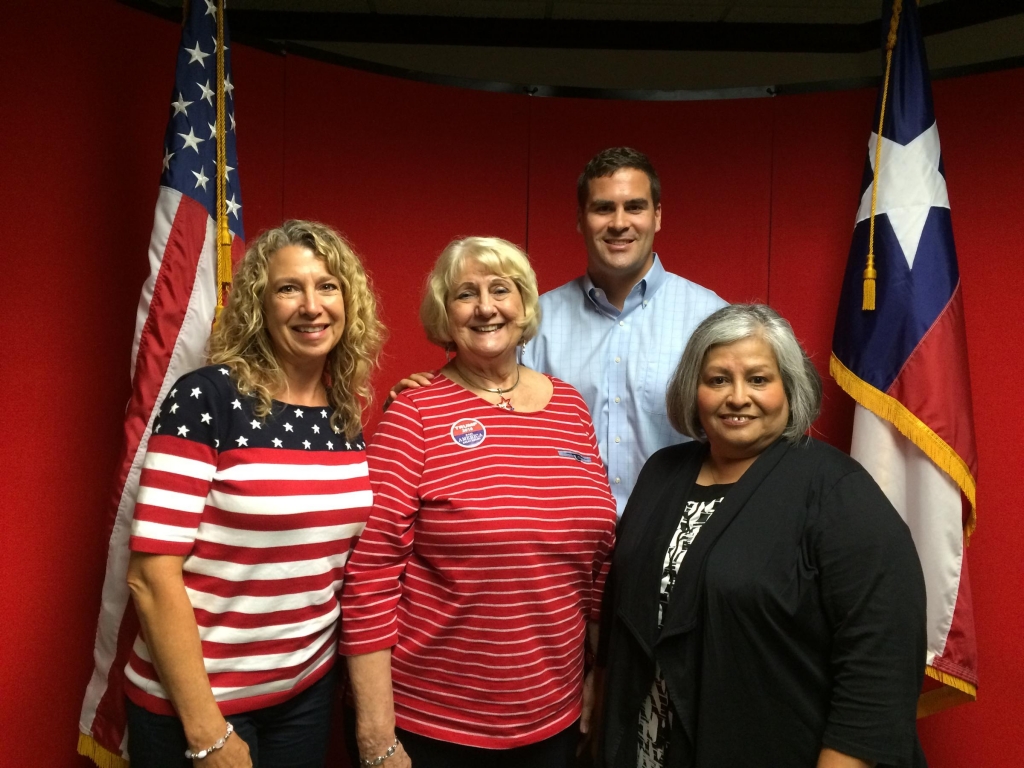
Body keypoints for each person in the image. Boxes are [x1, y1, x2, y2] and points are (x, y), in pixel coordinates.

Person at [598, 304, 927, 768]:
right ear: (693, 391)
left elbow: (881, 658)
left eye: (758, 379)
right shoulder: (662, 474)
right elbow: (623, 608)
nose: (737, 397)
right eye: (717, 380)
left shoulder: (836, 491)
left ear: (789, 389)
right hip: (651, 747)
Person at [340, 237, 618, 768]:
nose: (486, 307)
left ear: (525, 305)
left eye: (501, 290)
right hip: (434, 727)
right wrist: (377, 736)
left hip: (552, 720)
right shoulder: (414, 414)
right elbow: (368, 578)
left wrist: (595, 681)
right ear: (445, 315)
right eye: (466, 294)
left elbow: (597, 564)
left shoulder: (571, 409)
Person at [123, 220, 384, 768]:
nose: (311, 305)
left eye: (328, 286)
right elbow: (151, 577)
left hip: (304, 695)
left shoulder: (344, 416)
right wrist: (207, 732)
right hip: (197, 706)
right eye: (289, 288)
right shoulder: (206, 398)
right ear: (258, 305)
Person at [390, 148, 727, 517]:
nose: (619, 223)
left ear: (657, 215)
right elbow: (484, 397)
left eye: (634, 207)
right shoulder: (531, 322)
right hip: (561, 541)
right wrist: (425, 405)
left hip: (671, 540)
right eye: (602, 208)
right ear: (581, 219)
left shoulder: (709, 319)